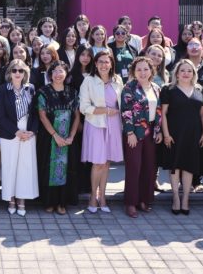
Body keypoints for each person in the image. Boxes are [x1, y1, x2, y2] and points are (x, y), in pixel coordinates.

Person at [159, 60, 203, 216]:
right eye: (183, 70)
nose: (186, 73)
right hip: (174, 133)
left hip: (193, 133)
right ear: (177, 73)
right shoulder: (168, 89)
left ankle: (186, 198)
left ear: (194, 74)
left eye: (189, 71)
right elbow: (163, 114)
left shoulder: (200, 90)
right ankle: (175, 197)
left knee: (189, 166)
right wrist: (166, 134)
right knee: (175, 166)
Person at [79, 51, 123, 214]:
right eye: (100, 62)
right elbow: (84, 107)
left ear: (111, 64)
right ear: (95, 64)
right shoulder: (88, 80)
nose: (104, 65)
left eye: (107, 62)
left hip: (114, 124)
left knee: (106, 163)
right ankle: (93, 197)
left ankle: (102, 197)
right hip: (96, 124)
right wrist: (105, 110)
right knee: (98, 163)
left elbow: (121, 103)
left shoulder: (118, 80)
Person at [36, 61, 80, 214]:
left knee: (66, 169)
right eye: (54, 71)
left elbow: (77, 116)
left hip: (68, 139)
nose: (57, 74)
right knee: (49, 168)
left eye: (61, 71)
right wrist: (55, 135)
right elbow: (42, 116)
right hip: (49, 137)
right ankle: (49, 202)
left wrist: (71, 136)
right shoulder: (43, 92)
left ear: (66, 74)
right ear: (50, 74)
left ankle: (62, 203)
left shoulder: (73, 92)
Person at [120, 56, 162, 218]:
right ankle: (131, 203)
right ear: (134, 71)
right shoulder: (129, 88)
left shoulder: (156, 88)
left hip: (151, 131)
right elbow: (126, 111)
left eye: (146, 69)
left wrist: (158, 131)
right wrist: (129, 133)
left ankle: (144, 200)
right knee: (134, 167)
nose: (142, 72)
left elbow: (158, 111)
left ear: (151, 70)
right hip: (135, 131)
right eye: (139, 69)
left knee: (149, 167)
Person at [0, 59, 38, 216]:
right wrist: (16, 132)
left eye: (21, 70)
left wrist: (32, 131)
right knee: (10, 166)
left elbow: (35, 113)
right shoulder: (2, 89)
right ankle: (11, 199)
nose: (17, 73)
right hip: (10, 133)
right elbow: (1, 115)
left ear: (25, 72)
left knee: (25, 168)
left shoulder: (31, 88)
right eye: (14, 70)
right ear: (9, 73)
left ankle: (22, 199)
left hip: (28, 133)